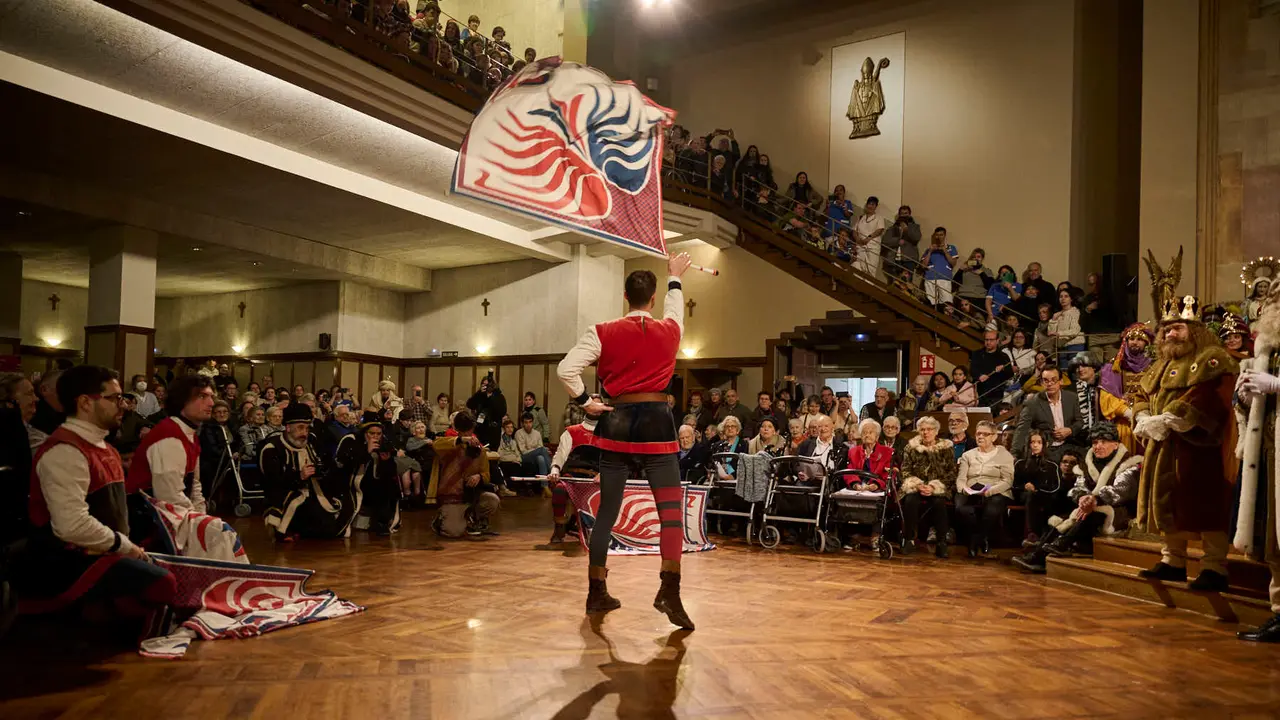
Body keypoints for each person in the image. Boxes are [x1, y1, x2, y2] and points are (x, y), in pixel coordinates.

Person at [556, 253, 696, 630]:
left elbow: (566, 369)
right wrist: (675, 277)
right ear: (652, 299)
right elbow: (676, 309)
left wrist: (586, 401)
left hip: (615, 426)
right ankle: (669, 590)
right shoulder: (670, 330)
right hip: (656, 428)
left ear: (625, 296)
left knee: (607, 513)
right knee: (669, 514)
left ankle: (596, 590)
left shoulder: (601, 331)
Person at [16, 365, 177, 624]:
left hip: (105, 548)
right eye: (114, 398)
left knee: (171, 560)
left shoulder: (105, 447)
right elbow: (72, 526)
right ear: (85, 403)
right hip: (67, 561)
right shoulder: (64, 451)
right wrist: (126, 548)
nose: (122, 405)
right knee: (163, 584)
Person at [1132, 295, 1238, 591]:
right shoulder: (1160, 366)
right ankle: (1173, 561)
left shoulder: (1212, 358)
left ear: (1195, 330)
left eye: (1177, 327)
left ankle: (1215, 566)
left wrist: (1170, 419)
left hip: (1200, 448)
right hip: (1163, 446)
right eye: (1166, 329)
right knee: (1169, 505)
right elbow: (1141, 395)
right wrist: (1142, 418)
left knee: (1205, 505)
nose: (1170, 334)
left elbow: (1209, 396)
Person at [1013, 422, 1142, 572]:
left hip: (1118, 512)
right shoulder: (1087, 463)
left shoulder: (1130, 463)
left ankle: (1062, 544)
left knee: (1093, 514)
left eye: (1103, 442)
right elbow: (1078, 487)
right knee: (1062, 518)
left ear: (1115, 444)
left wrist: (1094, 500)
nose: (1098, 446)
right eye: (1095, 442)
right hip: (1087, 508)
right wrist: (1081, 497)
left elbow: (1121, 492)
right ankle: (1038, 557)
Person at [1234, 282, 1280, 641]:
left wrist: (1275, 386)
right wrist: (1247, 394)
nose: (1273, 306)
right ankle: (1279, 610)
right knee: (1273, 536)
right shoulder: (1267, 346)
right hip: (1267, 446)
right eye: (1273, 300)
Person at [260, 403, 351, 541]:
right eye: (300, 428)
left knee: (331, 530)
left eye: (307, 428)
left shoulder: (312, 442)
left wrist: (322, 472)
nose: (304, 433)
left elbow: (327, 465)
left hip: (313, 495)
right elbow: (272, 481)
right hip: (287, 497)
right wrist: (299, 476)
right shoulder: (272, 448)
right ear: (288, 427)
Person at [126, 375, 213, 514]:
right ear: (182, 399)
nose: (211, 403)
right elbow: (170, 498)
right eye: (202, 396)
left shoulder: (190, 435)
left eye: (211, 397)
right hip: (146, 521)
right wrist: (199, 523)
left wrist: (201, 518)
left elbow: (195, 487)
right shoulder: (168, 435)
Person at [429, 413, 501, 538]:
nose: (468, 435)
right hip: (452, 496)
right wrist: (461, 440)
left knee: (492, 500)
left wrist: (479, 476)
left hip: (472, 494)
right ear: (458, 431)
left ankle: (473, 519)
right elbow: (436, 444)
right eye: (465, 432)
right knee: (453, 532)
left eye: (469, 431)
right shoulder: (450, 445)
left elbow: (486, 474)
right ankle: (440, 519)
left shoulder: (479, 449)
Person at [954, 420, 1016, 558]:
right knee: (961, 508)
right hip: (971, 489)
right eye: (978, 434)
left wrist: (990, 491)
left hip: (996, 489)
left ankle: (975, 541)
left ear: (994, 437)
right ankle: (981, 538)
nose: (980, 437)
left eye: (985, 434)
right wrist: (963, 489)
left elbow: (1007, 481)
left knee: (992, 507)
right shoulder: (967, 455)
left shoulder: (1004, 455)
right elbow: (961, 478)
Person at [898, 416, 956, 557]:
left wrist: (933, 487)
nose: (925, 432)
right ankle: (909, 539)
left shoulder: (946, 448)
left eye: (929, 429)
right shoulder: (910, 447)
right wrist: (917, 485)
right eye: (922, 429)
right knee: (910, 500)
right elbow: (905, 470)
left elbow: (951, 472)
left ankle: (941, 542)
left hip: (938, 486)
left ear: (936, 431)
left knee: (939, 502)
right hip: (916, 486)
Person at [333, 423, 402, 536]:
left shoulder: (383, 443)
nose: (375, 436)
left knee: (389, 486)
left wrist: (386, 461)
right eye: (372, 433)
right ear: (365, 433)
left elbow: (390, 470)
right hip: (350, 482)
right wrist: (366, 452)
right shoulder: (351, 440)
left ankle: (382, 522)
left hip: (371, 483)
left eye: (378, 434)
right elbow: (345, 465)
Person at [546, 405, 603, 542]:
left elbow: (612, 458)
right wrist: (555, 470)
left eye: (599, 405)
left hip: (595, 478)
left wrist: (604, 473)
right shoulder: (572, 432)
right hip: (572, 476)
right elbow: (560, 454)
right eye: (593, 405)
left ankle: (584, 526)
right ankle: (559, 526)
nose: (596, 409)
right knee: (559, 491)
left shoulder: (608, 433)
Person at [1014, 367, 1084, 462]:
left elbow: (1079, 421)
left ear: (1061, 381)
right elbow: (1022, 430)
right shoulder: (1032, 403)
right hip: (1046, 448)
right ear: (1042, 383)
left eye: (1054, 380)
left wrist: (1070, 430)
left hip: (1069, 444)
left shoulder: (1071, 398)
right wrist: (1015, 454)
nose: (1050, 384)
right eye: (1046, 381)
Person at [1014, 431, 1064, 543]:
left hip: (1045, 495)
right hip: (1024, 495)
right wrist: (1024, 486)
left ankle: (1046, 536)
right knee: (1031, 496)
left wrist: (1037, 489)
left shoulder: (1052, 465)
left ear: (1044, 444)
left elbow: (1056, 486)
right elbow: (1014, 484)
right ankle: (1033, 534)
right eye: (1032, 442)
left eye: (1039, 442)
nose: (1035, 445)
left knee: (1043, 499)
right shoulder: (1020, 463)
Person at [845, 419, 892, 491]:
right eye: (864, 433)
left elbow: (887, 474)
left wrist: (876, 485)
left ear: (877, 437)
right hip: (857, 490)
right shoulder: (853, 451)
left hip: (878, 490)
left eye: (870, 432)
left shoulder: (887, 452)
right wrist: (855, 484)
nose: (867, 435)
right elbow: (849, 471)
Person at [970, 330, 1013, 408]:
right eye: (986, 340)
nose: (988, 342)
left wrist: (1003, 368)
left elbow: (1010, 374)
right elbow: (973, 370)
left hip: (996, 393)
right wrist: (979, 376)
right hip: (980, 392)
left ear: (997, 341)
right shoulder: (977, 354)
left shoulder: (1003, 356)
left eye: (991, 340)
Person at [515, 413, 553, 495]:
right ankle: (552, 472)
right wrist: (536, 450)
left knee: (541, 458)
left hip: (536, 456)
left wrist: (535, 450)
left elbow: (540, 449)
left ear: (532, 422)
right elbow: (523, 451)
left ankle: (545, 486)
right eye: (526, 422)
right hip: (524, 457)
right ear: (522, 423)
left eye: (530, 422)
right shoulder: (519, 433)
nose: (528, 424)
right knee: (542, 450)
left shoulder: (537, 433)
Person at [1048, 289, 1086, 368]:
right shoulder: (1057, 314)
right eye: (1061, 296)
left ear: (1071, 299)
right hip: (1062, 347)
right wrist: (1053, 320)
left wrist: (1059, 334)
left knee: (1075, 372)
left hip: (1075, 345)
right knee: (1064, 372)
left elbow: (1075, 330)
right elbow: (1051, 333)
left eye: (1066, 296)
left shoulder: (1075, 312)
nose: (1063, 298)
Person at [467, 375, 507, 449]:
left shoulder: (499, 397)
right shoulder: (479, 396)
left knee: (492, 454)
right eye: (484, 385)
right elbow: (469, 405)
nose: (487, 387)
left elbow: (502, 412)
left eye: (488, 385)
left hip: (493, 431)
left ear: (493, 385)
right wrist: (479, 393)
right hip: (480, 430)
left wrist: (491, 398)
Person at [1068, 352, 1103, 437]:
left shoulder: (1104, 387)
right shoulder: (1070, 390)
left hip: (1101, 434)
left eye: (1084, 366)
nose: (1080, 369)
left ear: (1093, 367)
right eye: (1077, 367)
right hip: (1078, 437)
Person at [711, 416, 747, 481]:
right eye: (727, 426)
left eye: (733, 426)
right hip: (718, 478)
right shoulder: (717, 445)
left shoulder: (744, 445)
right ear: (724, 430)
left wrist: (733, 476)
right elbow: (712, 463)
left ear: (738, 430)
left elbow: (745, 466)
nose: (730, 428)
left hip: (736, 479)